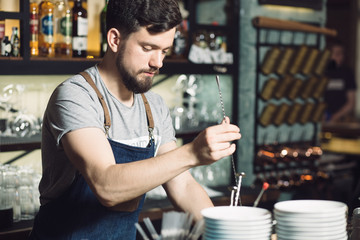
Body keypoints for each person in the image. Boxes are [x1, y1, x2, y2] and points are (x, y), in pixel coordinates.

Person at [29, 0, 241, 239]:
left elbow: (182, 185)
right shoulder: (76, 95)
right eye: (148, 48)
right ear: (115, 40)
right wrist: (192, 154)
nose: (158, 63)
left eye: (164, 51)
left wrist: (224, 233)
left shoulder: (154, 106)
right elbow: (106, 185)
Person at [324, 40, 357, 123]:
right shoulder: (320, 72)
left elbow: (351, 102)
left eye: (342, 54)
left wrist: (335, 117)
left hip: (341, 119)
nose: (341, 57)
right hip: (322, 118)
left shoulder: (347, 73)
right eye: (337, 54)